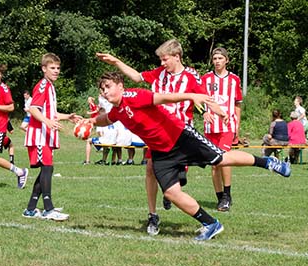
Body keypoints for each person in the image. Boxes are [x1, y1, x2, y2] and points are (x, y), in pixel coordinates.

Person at [88, 71, 290, 240]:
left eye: (108, 86)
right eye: (102, 89)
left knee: (221, 159)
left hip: (180, 137)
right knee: (170, 193)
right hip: (161, 152)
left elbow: (164, 97)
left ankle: (269, 162)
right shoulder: (118, 110)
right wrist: (89, 122)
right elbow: (107, 119)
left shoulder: (134, 96)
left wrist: (191, 96)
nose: (105, 92)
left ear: (120, 85)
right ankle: (211, 224)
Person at [96, 39, 206, 236]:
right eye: (161, 60)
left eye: (164, 59)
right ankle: (153, 214)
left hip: (181, 131)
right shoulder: (159, 73)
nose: (162, 63)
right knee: (150, 169)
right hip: (158, 132)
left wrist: (209, 111)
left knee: (182, 178)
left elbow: (201, 96)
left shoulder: (191, 76)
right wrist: (116, 62)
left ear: (177, 57)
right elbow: (137, 77)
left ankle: (174, 187)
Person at [22, 53, 81, 221]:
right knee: (47, 168)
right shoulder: (42, 86)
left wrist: (67, 116)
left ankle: (31, 209)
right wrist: (47, 122)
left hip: (45, 134)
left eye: (58, 68)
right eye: (52, 68)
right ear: (44, 69)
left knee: (47, 169)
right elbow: (33, 109)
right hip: (39, 135)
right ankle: (48, 209)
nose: (56, 71)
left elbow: (50, 112)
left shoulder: (50, 86)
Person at [201, 47, 242, 212]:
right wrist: (204, 112)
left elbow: (237, 104)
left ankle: (227, 194)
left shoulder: (234, 80)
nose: (217, 61)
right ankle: (220, 198)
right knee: (214, 164)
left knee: (224, 159)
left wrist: (237, 125)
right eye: (215, 58)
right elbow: (197, 100)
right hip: (210, 127)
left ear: (226, 60)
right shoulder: (205, 79)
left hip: (227, 126)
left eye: (220, 58)